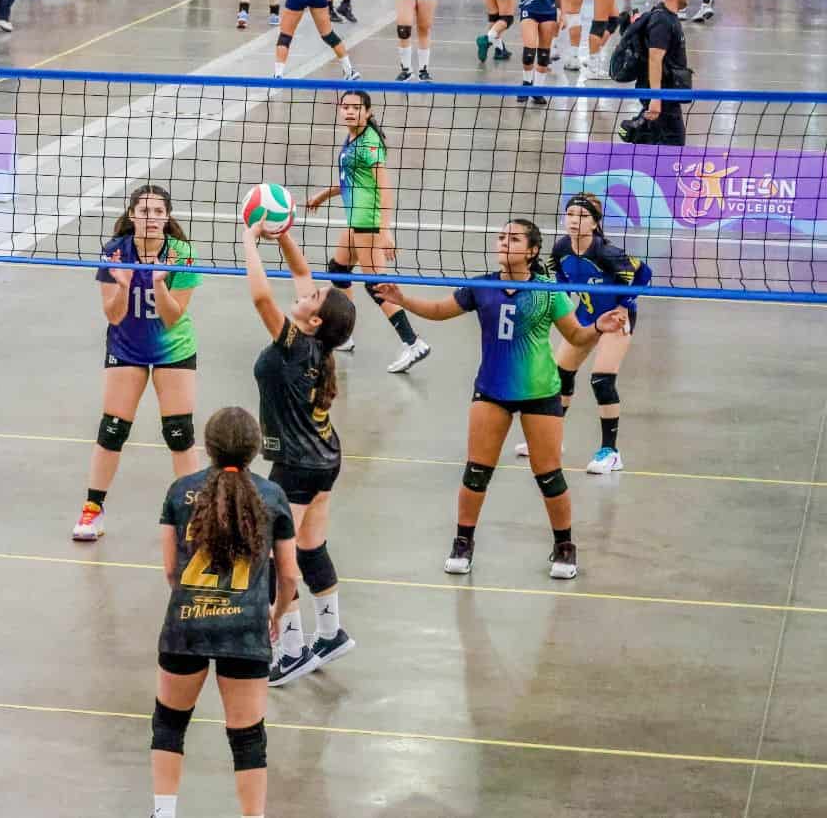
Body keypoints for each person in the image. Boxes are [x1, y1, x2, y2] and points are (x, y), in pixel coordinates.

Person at [374, 221, 628, 581]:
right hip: (492, 389)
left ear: (533, 250)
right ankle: (463, 542)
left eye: (514, 239)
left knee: (550, 476)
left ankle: (565, 545)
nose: (504, 243)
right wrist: (402, 300)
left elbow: (574, 334)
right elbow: (439, 310)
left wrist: (598, 328)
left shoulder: (548, 290)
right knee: (476, 472)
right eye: (501, 238)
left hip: (540, 391)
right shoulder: (484, 286)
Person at [149, 406, 296, 818]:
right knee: (248, 737)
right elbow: (289, 577)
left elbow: (170, 571)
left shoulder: (180, 491)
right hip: (246, 630)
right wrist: (276, 613)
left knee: (169, 723)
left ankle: (163, 812)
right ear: (254, 450)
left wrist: (194, 604)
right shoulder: (272, 496)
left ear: (208, 448)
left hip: (185, 627)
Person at [241, 221, 357, 685]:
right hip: (324, 456)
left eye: (313, 299)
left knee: (274, 557)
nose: (307, 291)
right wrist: (283, 236)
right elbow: (304, 274)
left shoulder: (294, 345)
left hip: (298, 464)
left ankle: (289, 650)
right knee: (311, 548)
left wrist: (249, 241)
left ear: (314, 320)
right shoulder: (315, 342)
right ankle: (329, 633)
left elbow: (260, 298)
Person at [74, 185, 203, 542]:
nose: (151, 219)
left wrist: (159, 283)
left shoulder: (182, 254)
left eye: (159, 212)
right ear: (132, 215)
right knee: (112, 428)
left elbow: (173, 316)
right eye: (144, 212)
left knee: (179, 432)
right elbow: (113, 315)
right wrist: (125, 285)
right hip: (127, 344)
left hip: (172, 347)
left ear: (168, 217)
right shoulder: (115, 253)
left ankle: (191, 517)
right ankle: (92, 511)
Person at [517, 192, 648, 475]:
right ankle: (552, 438)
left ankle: (611, 452)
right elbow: (562, 280)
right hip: (587, 316)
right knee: (560, 376)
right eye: (571, 214)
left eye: (582, 217)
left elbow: (643, 273)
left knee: (601, 380)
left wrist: (624, 307)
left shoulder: (607, 253)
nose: (574, 221)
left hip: (614, 318)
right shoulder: (561, 248)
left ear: (595, 223)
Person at [305, 89, 428, 371]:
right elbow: (354, 181)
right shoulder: (352, 138)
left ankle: (413, 342)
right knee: (338, 269)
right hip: (356, 220)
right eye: (345, 106)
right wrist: (325, 194)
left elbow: (384, 188)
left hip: (369, 222)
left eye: (356, 107)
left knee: (377, 286)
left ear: (368, 112)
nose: (349, 111)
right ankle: (344, 333)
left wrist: (385, 230)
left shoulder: (369, 143)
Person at [618, 0, 692, 146]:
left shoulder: (668, 16)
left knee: (654, 140)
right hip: (662, 95)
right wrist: (656, 97)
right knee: (674, 142)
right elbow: (654, 59)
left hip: (667, 93)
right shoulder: (662, 21)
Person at [515, 0, 564, 104]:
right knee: (529, 51)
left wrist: (562, 14)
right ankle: (526, 84)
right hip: (529, 7)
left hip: (548, 11)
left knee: (544, 54)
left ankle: (538, 89)